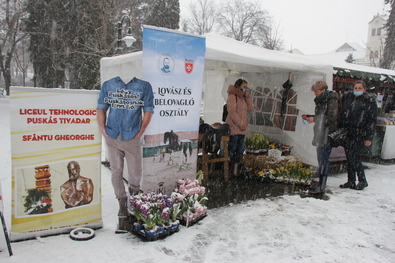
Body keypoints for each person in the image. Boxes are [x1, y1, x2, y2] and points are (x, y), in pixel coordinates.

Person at [97, 76, 154, 219]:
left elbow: (148, 109)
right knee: (116, 172)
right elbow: (101, 107)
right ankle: (121, 201)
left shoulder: (144, 85)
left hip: (132, 136)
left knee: (135, 172)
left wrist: (141, 131)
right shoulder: (109, 85)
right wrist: (103, 129)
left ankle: (134, 196)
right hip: (112, 135)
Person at [338, 80, 377, 190]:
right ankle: (351, 180)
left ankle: (362, 180)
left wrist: (369, 137)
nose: (357, 90)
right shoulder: (349, 99)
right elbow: (343, 114)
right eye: (355, 88)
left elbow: (372, 120)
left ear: (364, 89)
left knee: (354, 157)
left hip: (360, 133)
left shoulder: (369, 101)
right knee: (349, 158)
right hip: (348, 132)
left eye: (360, 88)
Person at [302, 81, 339, 194]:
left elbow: (331, 118)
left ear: (323, 90)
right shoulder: (321, 100)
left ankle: (322, 186)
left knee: (324, 161)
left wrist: (315, 119)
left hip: (327, 134)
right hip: (320, 133)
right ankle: (320, 184)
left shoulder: (331, 101)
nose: (315, 94)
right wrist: (310, 117)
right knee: (321, 160)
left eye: (316, 91)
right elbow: (321, 116)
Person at [225, 78, 254, 176]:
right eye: (244, 86)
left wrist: (248, 97)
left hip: (242, 128)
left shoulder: (243, 97)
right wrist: (240, 124)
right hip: (234, 127)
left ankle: (236, 170)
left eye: (246, 87)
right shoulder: (232, 96)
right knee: (232, 149)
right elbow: (232, 112)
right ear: (238, 86)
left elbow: (250, 109)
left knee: (240, 149)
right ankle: (228, 169)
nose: (245, 89)